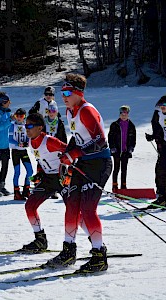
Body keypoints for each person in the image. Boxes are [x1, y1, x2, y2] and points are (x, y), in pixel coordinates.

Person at [45, 73, 112, 273]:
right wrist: (68, 153)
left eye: (67, 92)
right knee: (72, 205)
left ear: (78, 93)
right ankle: (69, 250)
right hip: (82, 163)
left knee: (88, 209)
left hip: (99, 163)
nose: (63, 96)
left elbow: (99, 140)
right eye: (61, 92)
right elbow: (77, 138)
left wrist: (74, 153)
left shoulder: (86, 110)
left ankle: (99, 255)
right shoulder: (68, 111)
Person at [19, 113, 67, 252]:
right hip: (47, 179)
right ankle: (40, 240)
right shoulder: (31, 142)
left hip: (61, 179)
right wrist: (39, 173)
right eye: (25, 126)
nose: (26, 129)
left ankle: (95, 246)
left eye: (29, 126)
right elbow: (41, 159)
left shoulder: (49, 141)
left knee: (75, 212)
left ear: (40, 128)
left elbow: (70, 151)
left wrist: (67, 171)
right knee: (30, 206)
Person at [108, 105, 136, 191]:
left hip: (125, 151)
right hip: (116, 151)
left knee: (124, 169)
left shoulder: (131, 125)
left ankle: (123, 185)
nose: (124, 116)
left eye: (125, 114)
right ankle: (114, 185)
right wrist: (112, 147)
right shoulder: (115, 125)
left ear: (128, 114)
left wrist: (131, 147)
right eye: (122, 114)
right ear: (119, 114)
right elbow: (110, 137)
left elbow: (133, 138)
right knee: (116, 168)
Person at [43, 101, 67, 199]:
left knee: (59, 168)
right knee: (47, 168)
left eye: (53, 111)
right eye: (49, 111)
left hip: (56, 148)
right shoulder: (44, 121)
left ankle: (61, 188)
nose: (51, 113)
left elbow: (63, 136)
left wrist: (64, 148)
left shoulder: (59, 122)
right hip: (46, 148)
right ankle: (48, 188)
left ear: (56, 112)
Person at [8, 108, 33, 200]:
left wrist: (27, 143)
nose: (19, 118)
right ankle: (16, 192)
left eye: (21, 116)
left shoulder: (26, 126)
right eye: (17, 116)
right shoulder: (12, 126)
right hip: (15, 151)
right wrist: (17, 144)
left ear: (24, 117)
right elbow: (10, 139)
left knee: (30, 171)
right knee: (17, 172)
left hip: (23, 151)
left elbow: (29, 137)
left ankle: (26, 189)